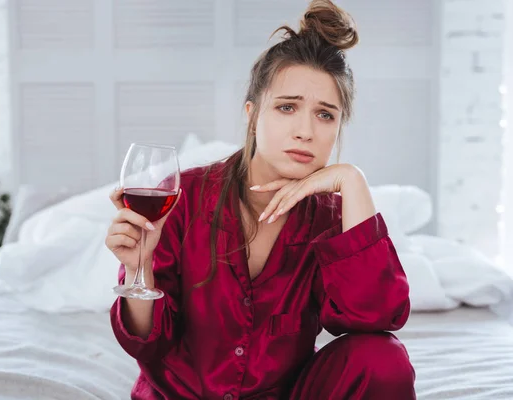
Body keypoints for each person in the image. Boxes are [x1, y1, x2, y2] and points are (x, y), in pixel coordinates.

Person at [106, 0, 416, 398]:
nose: (305, 130)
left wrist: (352, 180)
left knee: (383, 358)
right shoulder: (181, 197)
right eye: (287, 107)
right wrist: (140, 269)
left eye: (325, 115)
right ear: (253, 114)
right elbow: (147, 342)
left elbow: (374, 320)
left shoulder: (332, 219)